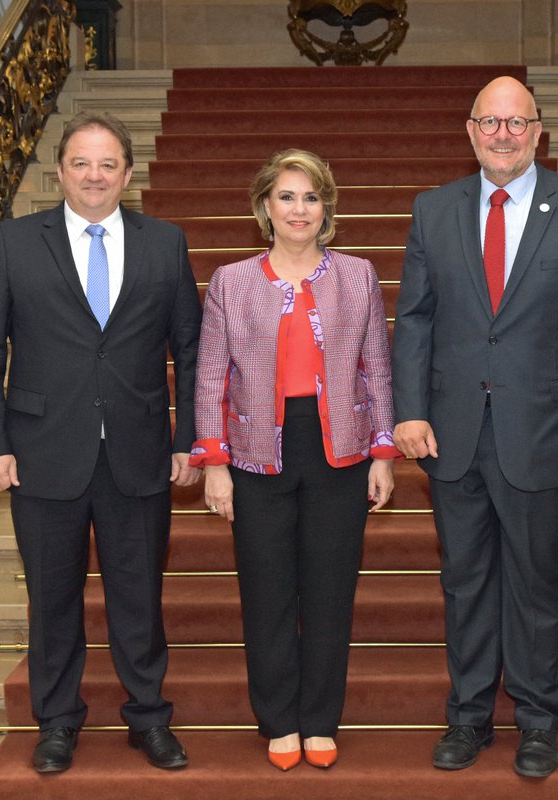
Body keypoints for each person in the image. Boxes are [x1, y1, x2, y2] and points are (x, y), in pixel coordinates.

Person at [391, 77, 558, 778]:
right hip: (453, 431)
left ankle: (537, 721)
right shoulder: (434, 210)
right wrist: (410, 409)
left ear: (537, 131)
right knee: (464, 581)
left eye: (516, 123)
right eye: (490, 123)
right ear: (470, 131)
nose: (503, 135)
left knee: (533, 582)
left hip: (545, 431)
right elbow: (415, 319)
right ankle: (468, 716)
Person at [0, 111, 202, 774]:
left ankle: (148, 718)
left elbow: (191, 347)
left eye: (107, 164)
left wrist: (190, 438)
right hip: (41, 451)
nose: (94, 175)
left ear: (127, 174)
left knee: (139, 596)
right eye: (81, 163)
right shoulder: (15, 241)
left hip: (140, 450)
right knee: (52, 598)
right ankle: (57, 722)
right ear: (61, 171)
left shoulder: (165, 243)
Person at [190, 149, 397, 771]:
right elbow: (211, 375)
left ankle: (320, 720)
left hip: (340, 450)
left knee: (331, 593)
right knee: (267, 591)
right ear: (265, 207)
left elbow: (376, 366)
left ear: (326, 207)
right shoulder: (231, 281)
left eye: (311, 197)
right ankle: (279, 719)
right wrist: (214, 462)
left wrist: (383, 453)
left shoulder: (358, 275)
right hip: (256, 454)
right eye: (286, 197)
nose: (299, 209)